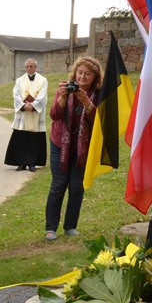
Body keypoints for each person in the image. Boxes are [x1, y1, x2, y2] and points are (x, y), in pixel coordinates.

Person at [45, 56, 102, 241]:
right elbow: (54, 115)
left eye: (88, 74)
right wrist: (62, 97)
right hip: (60, 143)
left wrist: (86, 100)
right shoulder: (65, 87)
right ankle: (50, 228)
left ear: (95, 77)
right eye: (80, 73)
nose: (83, 77)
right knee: (58, 184)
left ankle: (70, 226)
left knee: (77, 186)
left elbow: (99, 122)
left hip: (83, 147)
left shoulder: (99, 93)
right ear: (74, 73)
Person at [4, 58, 48, 172]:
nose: (29, 68)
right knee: (21, 138)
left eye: (31, 66)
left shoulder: (43, 80)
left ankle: (32, 162)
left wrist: (34, 105)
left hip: (35, 113)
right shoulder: (19, 80)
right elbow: (16, 95)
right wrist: (23, 106)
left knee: (34, 139)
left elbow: (43, 95)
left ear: (36, 67)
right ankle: (21, 163)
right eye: (27, 66)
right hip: (24, 113)